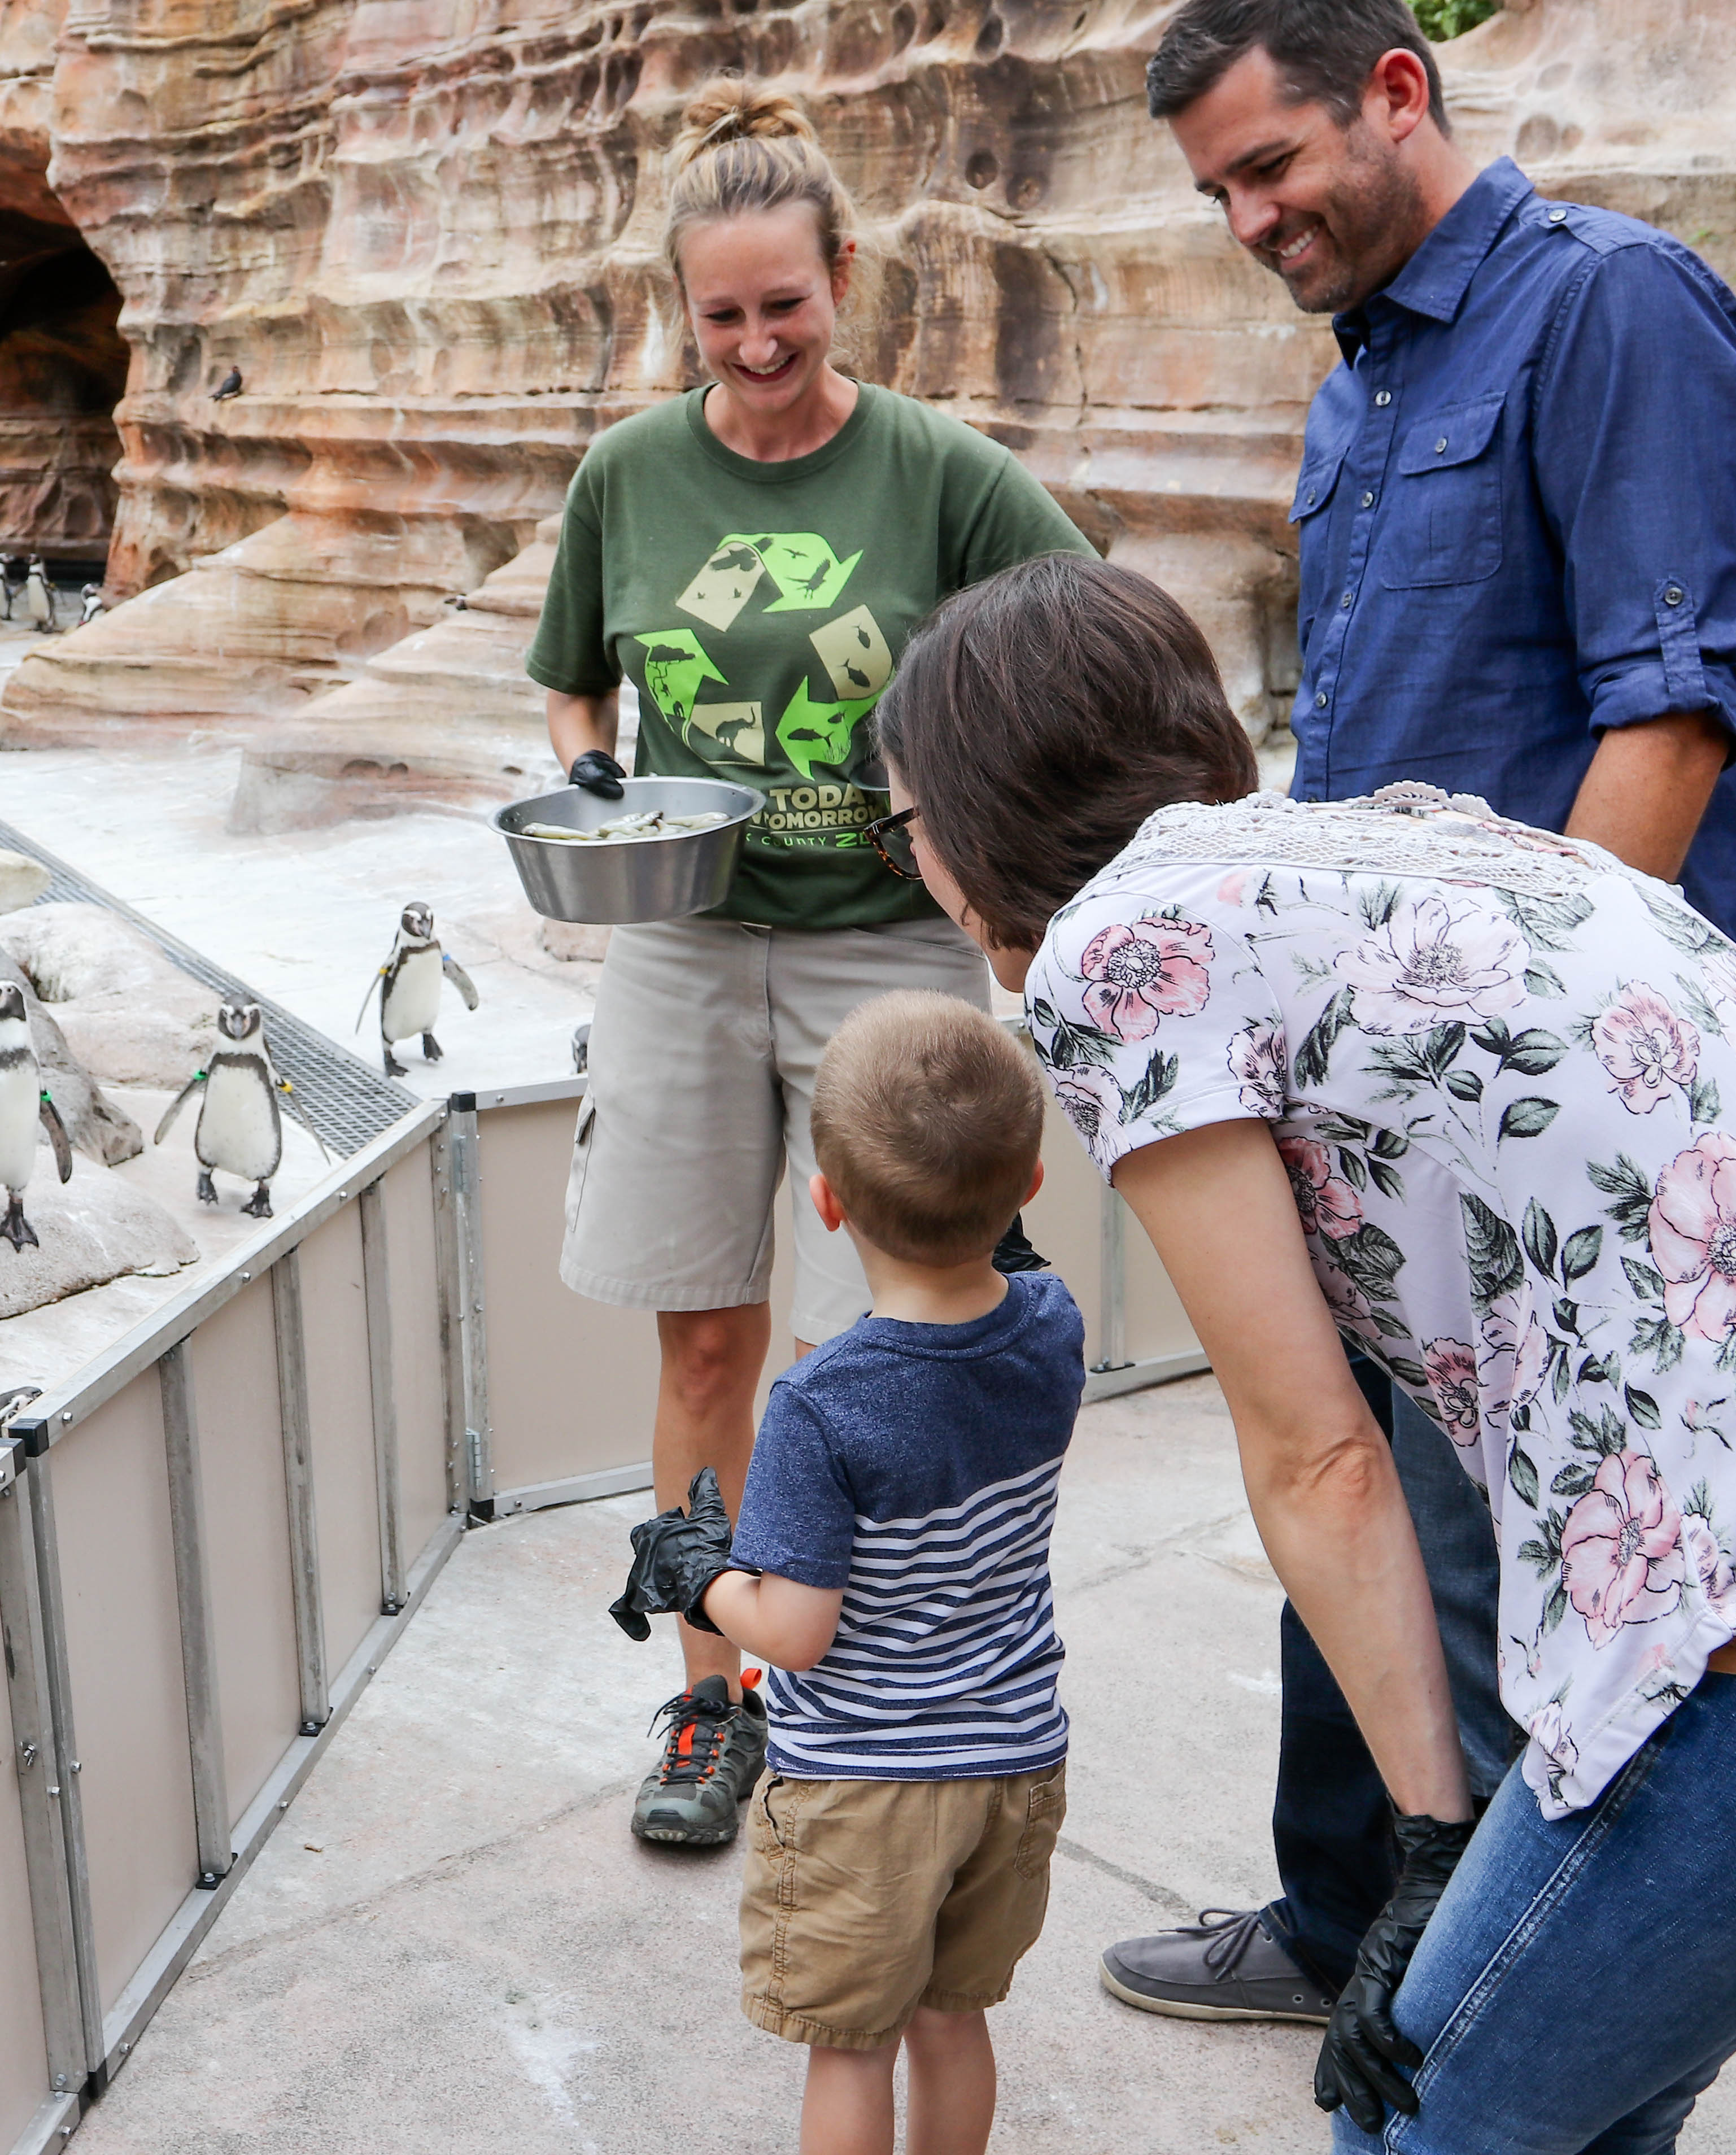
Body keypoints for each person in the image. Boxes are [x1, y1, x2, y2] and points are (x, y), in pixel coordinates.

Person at [872, 549, 1736, 2150]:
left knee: (1418, 2124)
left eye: (901, 823)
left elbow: (1316, 1454)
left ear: (974, 813)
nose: (910, 863)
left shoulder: (1121, 950)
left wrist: (1421, 1842)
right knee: (1593, 2117)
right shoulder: (1410, 840)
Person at [1101, 0, 1736, 2027]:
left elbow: (1661, 725)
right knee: (1351, 1501)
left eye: (1269, 166)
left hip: (1526, 1108)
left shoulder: (1612, 309)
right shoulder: (1355, 389)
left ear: (1395, 92)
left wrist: (1502, 1092)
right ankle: (1336, 1921)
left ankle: (1471, 2009)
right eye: (1215, 188)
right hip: (1364, 1096)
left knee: (1502, 1586)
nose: (1245, 219)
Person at [526, 76, 1093, 1846]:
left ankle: (882, 1689)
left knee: (895, 1340)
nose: (757, 343)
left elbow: (1082, 637)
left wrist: (993, 825)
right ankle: (712, 1702)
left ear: (844, 276)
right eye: (722, 315)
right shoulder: (627, 471)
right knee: (709, 1342)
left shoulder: (937, 471)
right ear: (678, 311)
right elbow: (572, 687)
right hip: (686, 944)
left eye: (786, 305)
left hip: (890, 955)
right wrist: (585, 778)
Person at [608, 989, 1083, 2155]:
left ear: (823, 1206)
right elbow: (1011, 1262)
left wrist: (697, 1570)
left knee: (852, 2048)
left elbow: (796, 1630)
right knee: (952, 2022)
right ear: (1027, 1186)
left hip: (868, 1787)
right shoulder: (1054, 1323)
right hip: (1016, 1765)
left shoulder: (823, 1407)